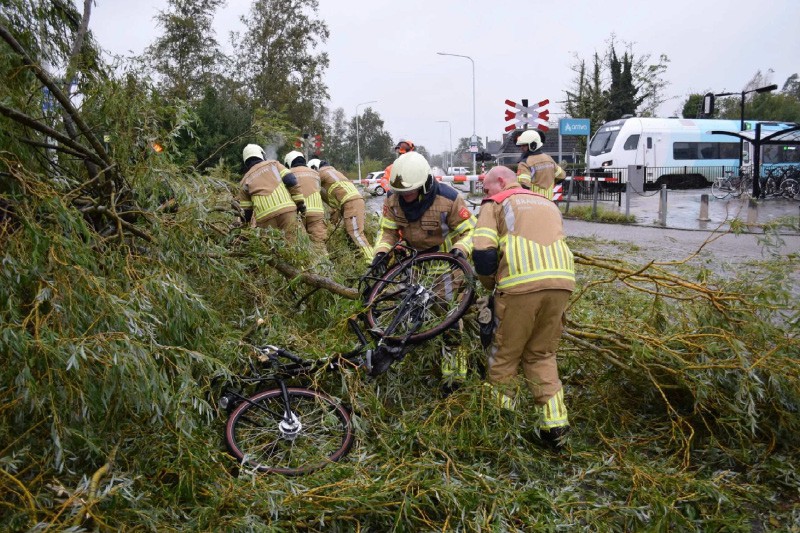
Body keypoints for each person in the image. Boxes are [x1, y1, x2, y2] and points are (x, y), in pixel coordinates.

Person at [472, 165, 575, 450]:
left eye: (486, 188)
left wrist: (490, 286)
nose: (485, 193)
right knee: (541, 354)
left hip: (518, 285)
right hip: (562, 283)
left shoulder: (495, 203)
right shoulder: (548, 203)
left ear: (502, 181)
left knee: (504, 356)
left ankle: (502, 428)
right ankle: (555, 428)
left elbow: (482, 252)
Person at [371, 151, 476, 389]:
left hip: (447, 266)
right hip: (414, 266)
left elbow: (471, 231)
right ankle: (416, 361)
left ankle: (454, 375)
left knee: (449, 319)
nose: (405, 197)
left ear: (425, 185)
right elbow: (387, 231)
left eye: (409, 191)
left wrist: (461, 249)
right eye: (401, 193)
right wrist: (380, 253)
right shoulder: (392, 200)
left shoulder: (449, 199)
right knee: (413, 315)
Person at [308, 158, 373, 263]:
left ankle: (372, 262)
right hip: (353, 202)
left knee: (356, 233)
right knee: (350, 234)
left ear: (314, 168)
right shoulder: (333, 172)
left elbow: (310, 181)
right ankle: (359, 261)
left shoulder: (321, 174)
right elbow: (333, 196)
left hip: (350, 203)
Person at [238, 144, 305, 236]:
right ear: (262, 154)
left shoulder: (244, 181)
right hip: (286, 210)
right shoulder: (274, 164)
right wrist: (300, 203)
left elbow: (246, 212)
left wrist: (244, 229)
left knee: (272, 249)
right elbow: (290, 181)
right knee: (293, 243)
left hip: (265, 218)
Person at [283, 151, 327, 245]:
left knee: (300, 245)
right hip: (317, 212)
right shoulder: (315, 173)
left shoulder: (287, 174)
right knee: (319, 244)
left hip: (298, 213)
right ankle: (323, 259)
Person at [515, 129, 565, 200]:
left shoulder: (525, 163)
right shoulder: (549, 159)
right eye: (520, 145)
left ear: (533, 145)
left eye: (524, 145)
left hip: (534, 205)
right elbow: (561, 177)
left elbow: (523, 186)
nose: (521, 148)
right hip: (549, 204)